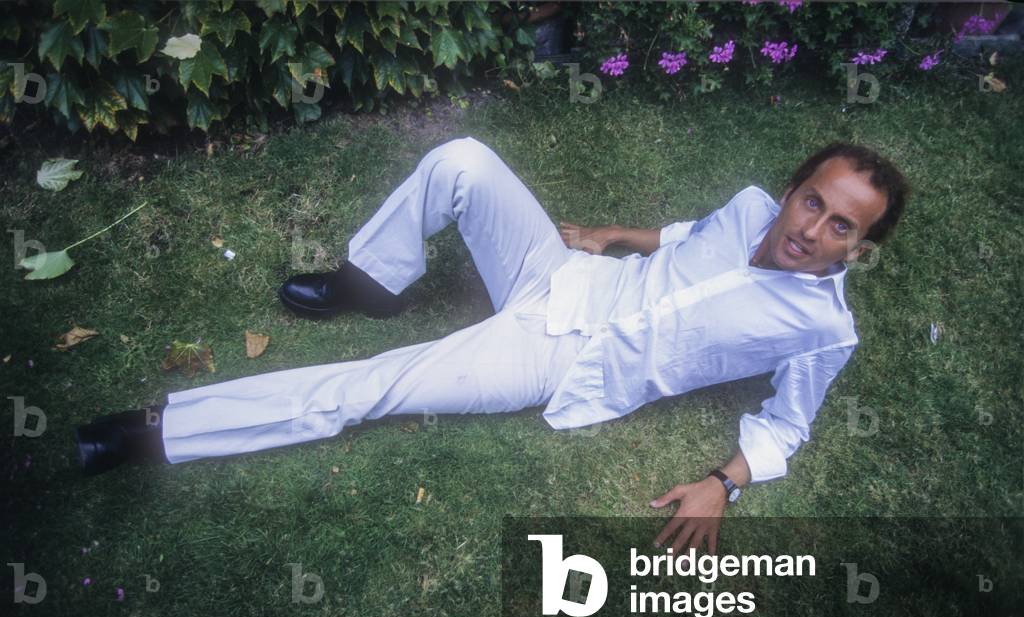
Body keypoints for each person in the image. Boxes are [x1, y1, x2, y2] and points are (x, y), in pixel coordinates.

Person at [75, 135, 909, 553]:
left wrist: (723, 483)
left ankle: (156, 429)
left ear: (859, 247)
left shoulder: (824, 330)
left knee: (373, 388)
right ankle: (368, 281)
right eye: (811, 202)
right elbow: (688, 234)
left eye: (843, 226)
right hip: (562, 275)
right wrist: (613, 234)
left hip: (562, 359)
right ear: (794, 190)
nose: (812, 229)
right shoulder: (753, 207)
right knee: (464, 157)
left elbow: (787, 426)